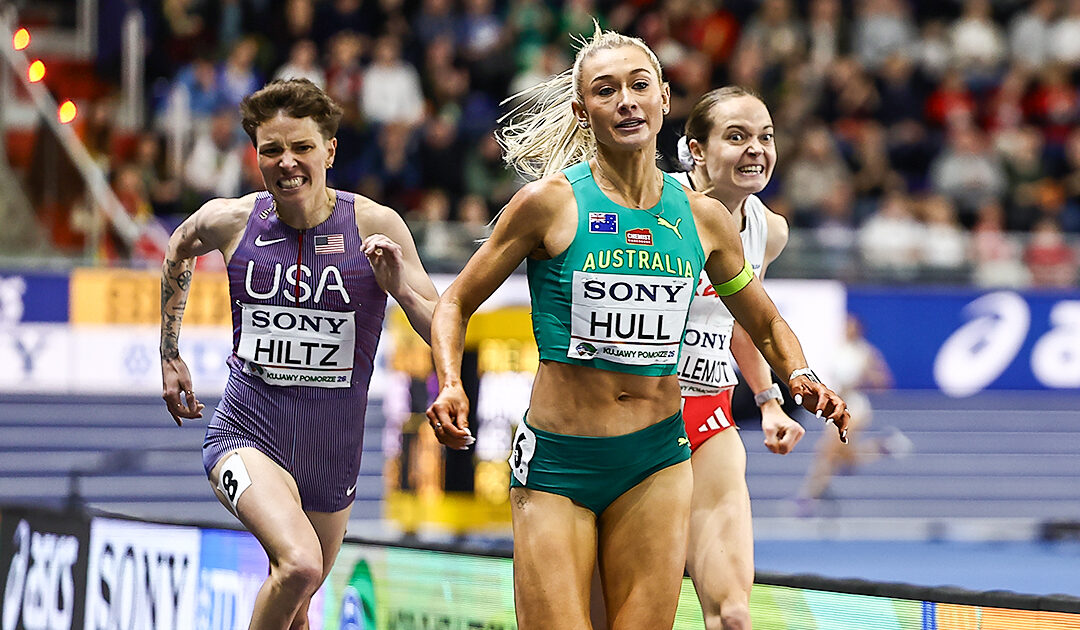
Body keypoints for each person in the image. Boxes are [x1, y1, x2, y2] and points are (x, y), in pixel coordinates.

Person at [424, 26, 849, 630]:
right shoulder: (550, 204)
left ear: (664, 99)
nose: (625, 100)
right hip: (559, 465)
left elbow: (765, 320)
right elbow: (454, 302)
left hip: (657, 459)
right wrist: (448, 382)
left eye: (638, 85)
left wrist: (800, 376)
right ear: (582, 110)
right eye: (606, 90)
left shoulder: (702, 220)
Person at [159, 78, 439, 629]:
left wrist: (400, 287)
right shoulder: (233, 219)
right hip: (245, 437)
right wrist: (170, 353)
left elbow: (440, 326)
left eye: (301, 147)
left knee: (297, 606)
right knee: (300, 566)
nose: (286, 162)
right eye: (271, 150)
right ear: (256, 155)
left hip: (331, 459)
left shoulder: (376, 225)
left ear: (330, 150)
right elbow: (178, 247)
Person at [672, 86, 810, 630]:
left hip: (709, 414)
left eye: (766, 137)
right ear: (696, 150)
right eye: (737, 137)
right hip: (633, 423)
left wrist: (769, 400)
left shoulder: (767, 230)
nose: (757, 149)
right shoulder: (657, 208)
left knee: (733, 615)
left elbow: (744, 322)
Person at [797, 313, 908, 516]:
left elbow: (883, 382)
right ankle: (882, 447)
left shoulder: (865, 353)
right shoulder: (838, 349)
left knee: (827, 449)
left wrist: (863, 378)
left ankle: (810, 495)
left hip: (855, 407)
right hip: (836, 405)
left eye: (851, 326)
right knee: (843, 457)